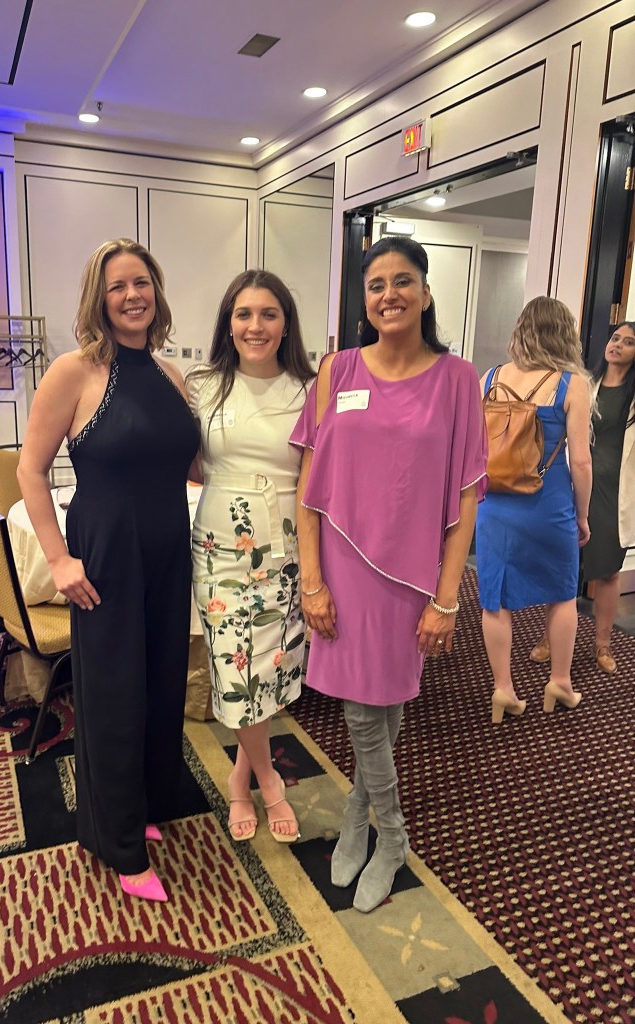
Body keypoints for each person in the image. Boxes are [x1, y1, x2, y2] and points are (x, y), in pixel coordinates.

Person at [291, 237, 486, 912]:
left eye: (403, 281)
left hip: (412, 574)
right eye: (376, 284)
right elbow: (307, 486)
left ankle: (366, 819)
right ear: (364, 300)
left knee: (388, 699)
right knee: (360, 707)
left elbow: (466, 497)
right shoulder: (336, 371)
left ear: (426, 294)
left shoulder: (458, 379)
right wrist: (311, 581)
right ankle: (388, 830)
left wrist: (448, 598)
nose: (389, 294)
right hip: (342, 566)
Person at [17, 238, 200, 903]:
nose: (132, 295)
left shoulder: (171, 374)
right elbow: (30, 470)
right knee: (115, 695)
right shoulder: (74, 370)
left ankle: (142, 805)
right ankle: (118, 843)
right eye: (117, 285)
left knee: (160, 684)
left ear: (157, 291)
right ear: (99, 297)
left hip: (168, 548)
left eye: (141, 282)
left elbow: (192, 464)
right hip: (106, 552)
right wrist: (57, 558)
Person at [188, 270, 314, 843]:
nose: (255, 326)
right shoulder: (203, 385)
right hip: (220, 550)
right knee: (234, 667)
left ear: (286, 324)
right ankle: (267, 780)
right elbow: (189, 462)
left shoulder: (310, 389)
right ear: (228, 322)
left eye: (268, 314)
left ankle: (241, 777)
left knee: (268, 668)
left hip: (287, 546)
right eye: (244, 314)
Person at [477, 296, 593, 722]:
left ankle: (503, 690)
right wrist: (583, 516)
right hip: (549, 503)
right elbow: (581, 462)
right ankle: (559, 682)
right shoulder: (571, 384)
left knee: (495, 599)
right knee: (562, 594)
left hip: (494, 503)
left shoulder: (490, 378)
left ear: (521, 330)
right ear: (564, 334)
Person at [529, 321, 635, 674]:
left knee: (607, 572)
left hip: (616, 493)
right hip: (573, 483)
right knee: (563, 566)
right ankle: (549, 637)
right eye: (615, 338)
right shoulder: (583, 384)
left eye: (628, 342)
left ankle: (603, 644)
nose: (617, 345)